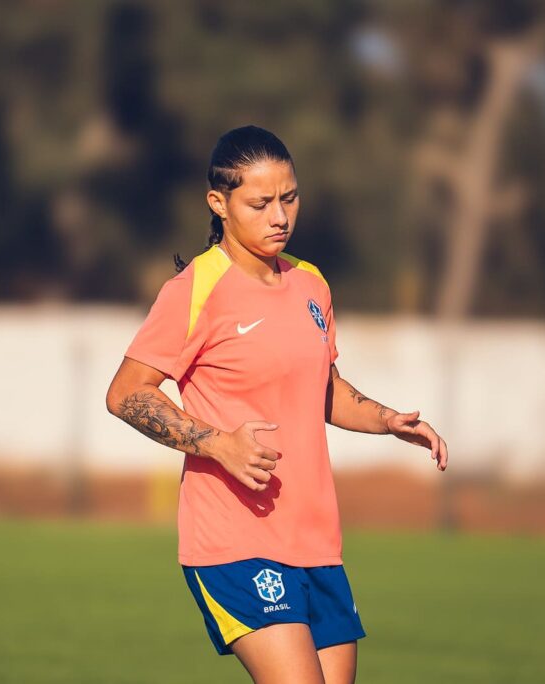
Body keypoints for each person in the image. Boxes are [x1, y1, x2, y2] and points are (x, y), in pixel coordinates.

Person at [106, 125, 448, 684]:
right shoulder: (194, 289)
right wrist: (218, 443)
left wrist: (387, 421)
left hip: (315, 538)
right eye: (260, 203)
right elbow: (126, 394)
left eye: (289, 198)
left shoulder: (311, 284)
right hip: (232, 542)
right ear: (218, 203)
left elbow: (324, 388)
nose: (279, 216)